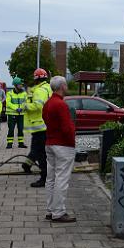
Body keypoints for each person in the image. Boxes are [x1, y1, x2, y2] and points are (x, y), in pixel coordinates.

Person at [42, 76, 77, 222]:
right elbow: (66, 128)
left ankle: (50, 210)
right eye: (66, 84)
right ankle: (59, 212)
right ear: (62, 86)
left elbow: (45, 119)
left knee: (51, 178)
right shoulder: (61, 104)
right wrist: (72, 141)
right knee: (62, 179)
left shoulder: (48, 103)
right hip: (63, 145)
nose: (67, 86)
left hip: (50, 142)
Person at [22, 68, 52, 188]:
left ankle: (44, 178)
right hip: (45, 125)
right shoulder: (48, 88)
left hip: (40, 125)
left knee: (40, 153)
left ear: (35, 79)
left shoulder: (39, 90)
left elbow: (38, 105)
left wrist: (26, 106)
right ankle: (27, 165)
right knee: (37, 150)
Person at [5, 77, 27, 149]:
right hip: (12, 114)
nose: (21, 86)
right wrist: (16, 108)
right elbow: (8, 103)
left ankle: (21, 143)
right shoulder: (9, 93)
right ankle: (9, 143)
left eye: (21, 84)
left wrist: (22, 108)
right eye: (20, 84)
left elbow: (26, 102)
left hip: (21, 114)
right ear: (15, 85)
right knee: (11, 129)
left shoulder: (24, 93)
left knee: (20, 129)